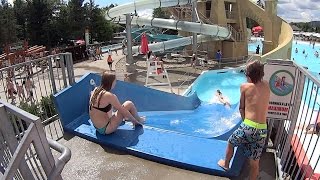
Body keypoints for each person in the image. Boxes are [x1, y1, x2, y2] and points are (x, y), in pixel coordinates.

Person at [218, 60, 270, 180]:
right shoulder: (267, 85)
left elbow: (242, 108)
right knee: (254, 161)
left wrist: (245, 123)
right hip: (262, 129)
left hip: (248, 127)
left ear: (249, 75)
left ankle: (225, 165)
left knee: (231, 142)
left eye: (246, 74)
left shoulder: (244, 87)